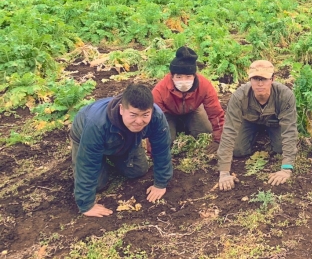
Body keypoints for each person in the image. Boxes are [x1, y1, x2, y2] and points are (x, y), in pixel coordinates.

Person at [70, 83, 172, 217]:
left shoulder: (157, 116)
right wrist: (86, 205)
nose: (139, 121)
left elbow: (162, 149)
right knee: (98, 185)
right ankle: (103, 159)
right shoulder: (96, 124)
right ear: (121, 109)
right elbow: (87, 163)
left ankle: (113, 155)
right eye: (133, 115)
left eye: (145, 115)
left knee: (138, 170)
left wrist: (161, 183)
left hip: (126, 137)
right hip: (86, 137)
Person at [217, 60, 298, 190]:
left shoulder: (285, 95)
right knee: (238, 150)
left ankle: (266, 133)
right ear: (250, 79)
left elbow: (289, 130)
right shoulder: (239, 96)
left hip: (273, 122)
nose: (260, 83)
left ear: (272, 79)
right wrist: (224, 173)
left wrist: (286, 169)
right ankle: (254, 133)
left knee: (280, 148)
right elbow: (229, 131)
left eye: (264, 79)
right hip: (248, 121)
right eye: (255, 79)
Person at [152, 46, 224, 153]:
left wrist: (219, 140)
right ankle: (176, 128)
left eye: (188, 76)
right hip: (168, 114)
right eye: (179, 77)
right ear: (172, 76)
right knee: (165, 140)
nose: (184, 81)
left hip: (193, 109)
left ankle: (184, 126)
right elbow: (154, 121)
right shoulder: (159, 90)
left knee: (205, 132)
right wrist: (153, 152)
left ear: (194, 76)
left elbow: (216, 113)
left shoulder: (204, 85)